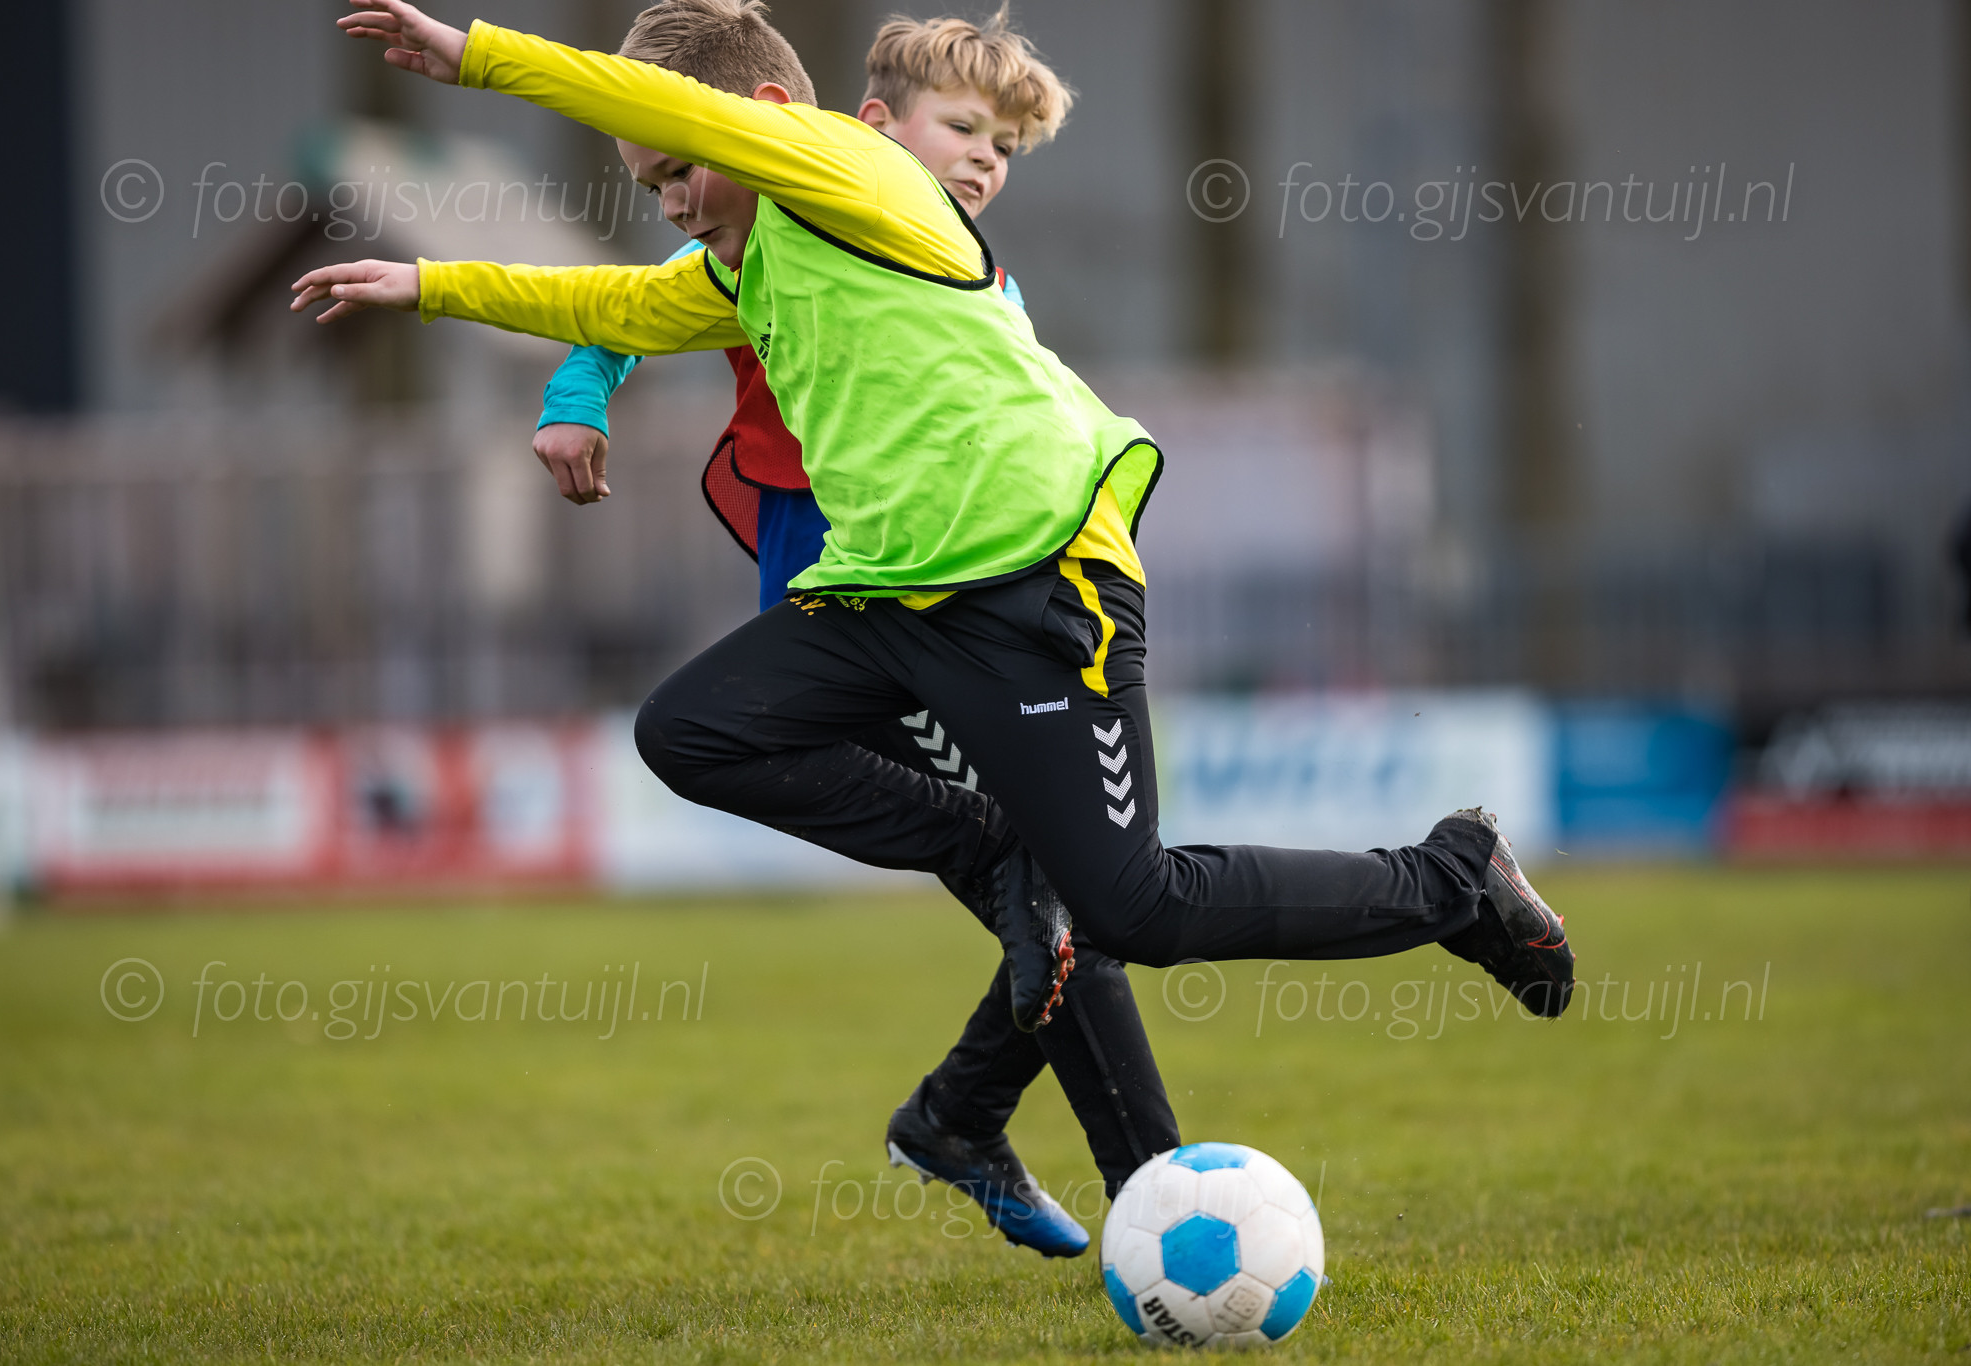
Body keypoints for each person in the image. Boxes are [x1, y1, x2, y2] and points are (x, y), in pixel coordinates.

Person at [294, 0, 1578, 1205]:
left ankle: (1450, 878)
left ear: (763, 118)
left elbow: (655, 112)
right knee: (688, 729)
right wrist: (432, 286)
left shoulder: (856, 174)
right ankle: (987, 878)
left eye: (679, 169)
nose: (673, 200)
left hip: (1035, 581)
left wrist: (474, 53)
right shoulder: (751, 261)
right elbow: (619, 303)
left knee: (1132, 907)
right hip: (890, 597)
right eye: (651, 187)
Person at [524, 4, 1180, 1258]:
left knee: (1053, 890)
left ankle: (969, 1123)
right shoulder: (784, 198)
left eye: (1002, 146)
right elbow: (634, 301)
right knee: (1044, 881)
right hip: (855, 599)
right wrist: (575, 389)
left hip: (957, 589)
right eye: (961, 131)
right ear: (862, 125)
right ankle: (1139, 1183)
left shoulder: (950, 257)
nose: (982, 160)